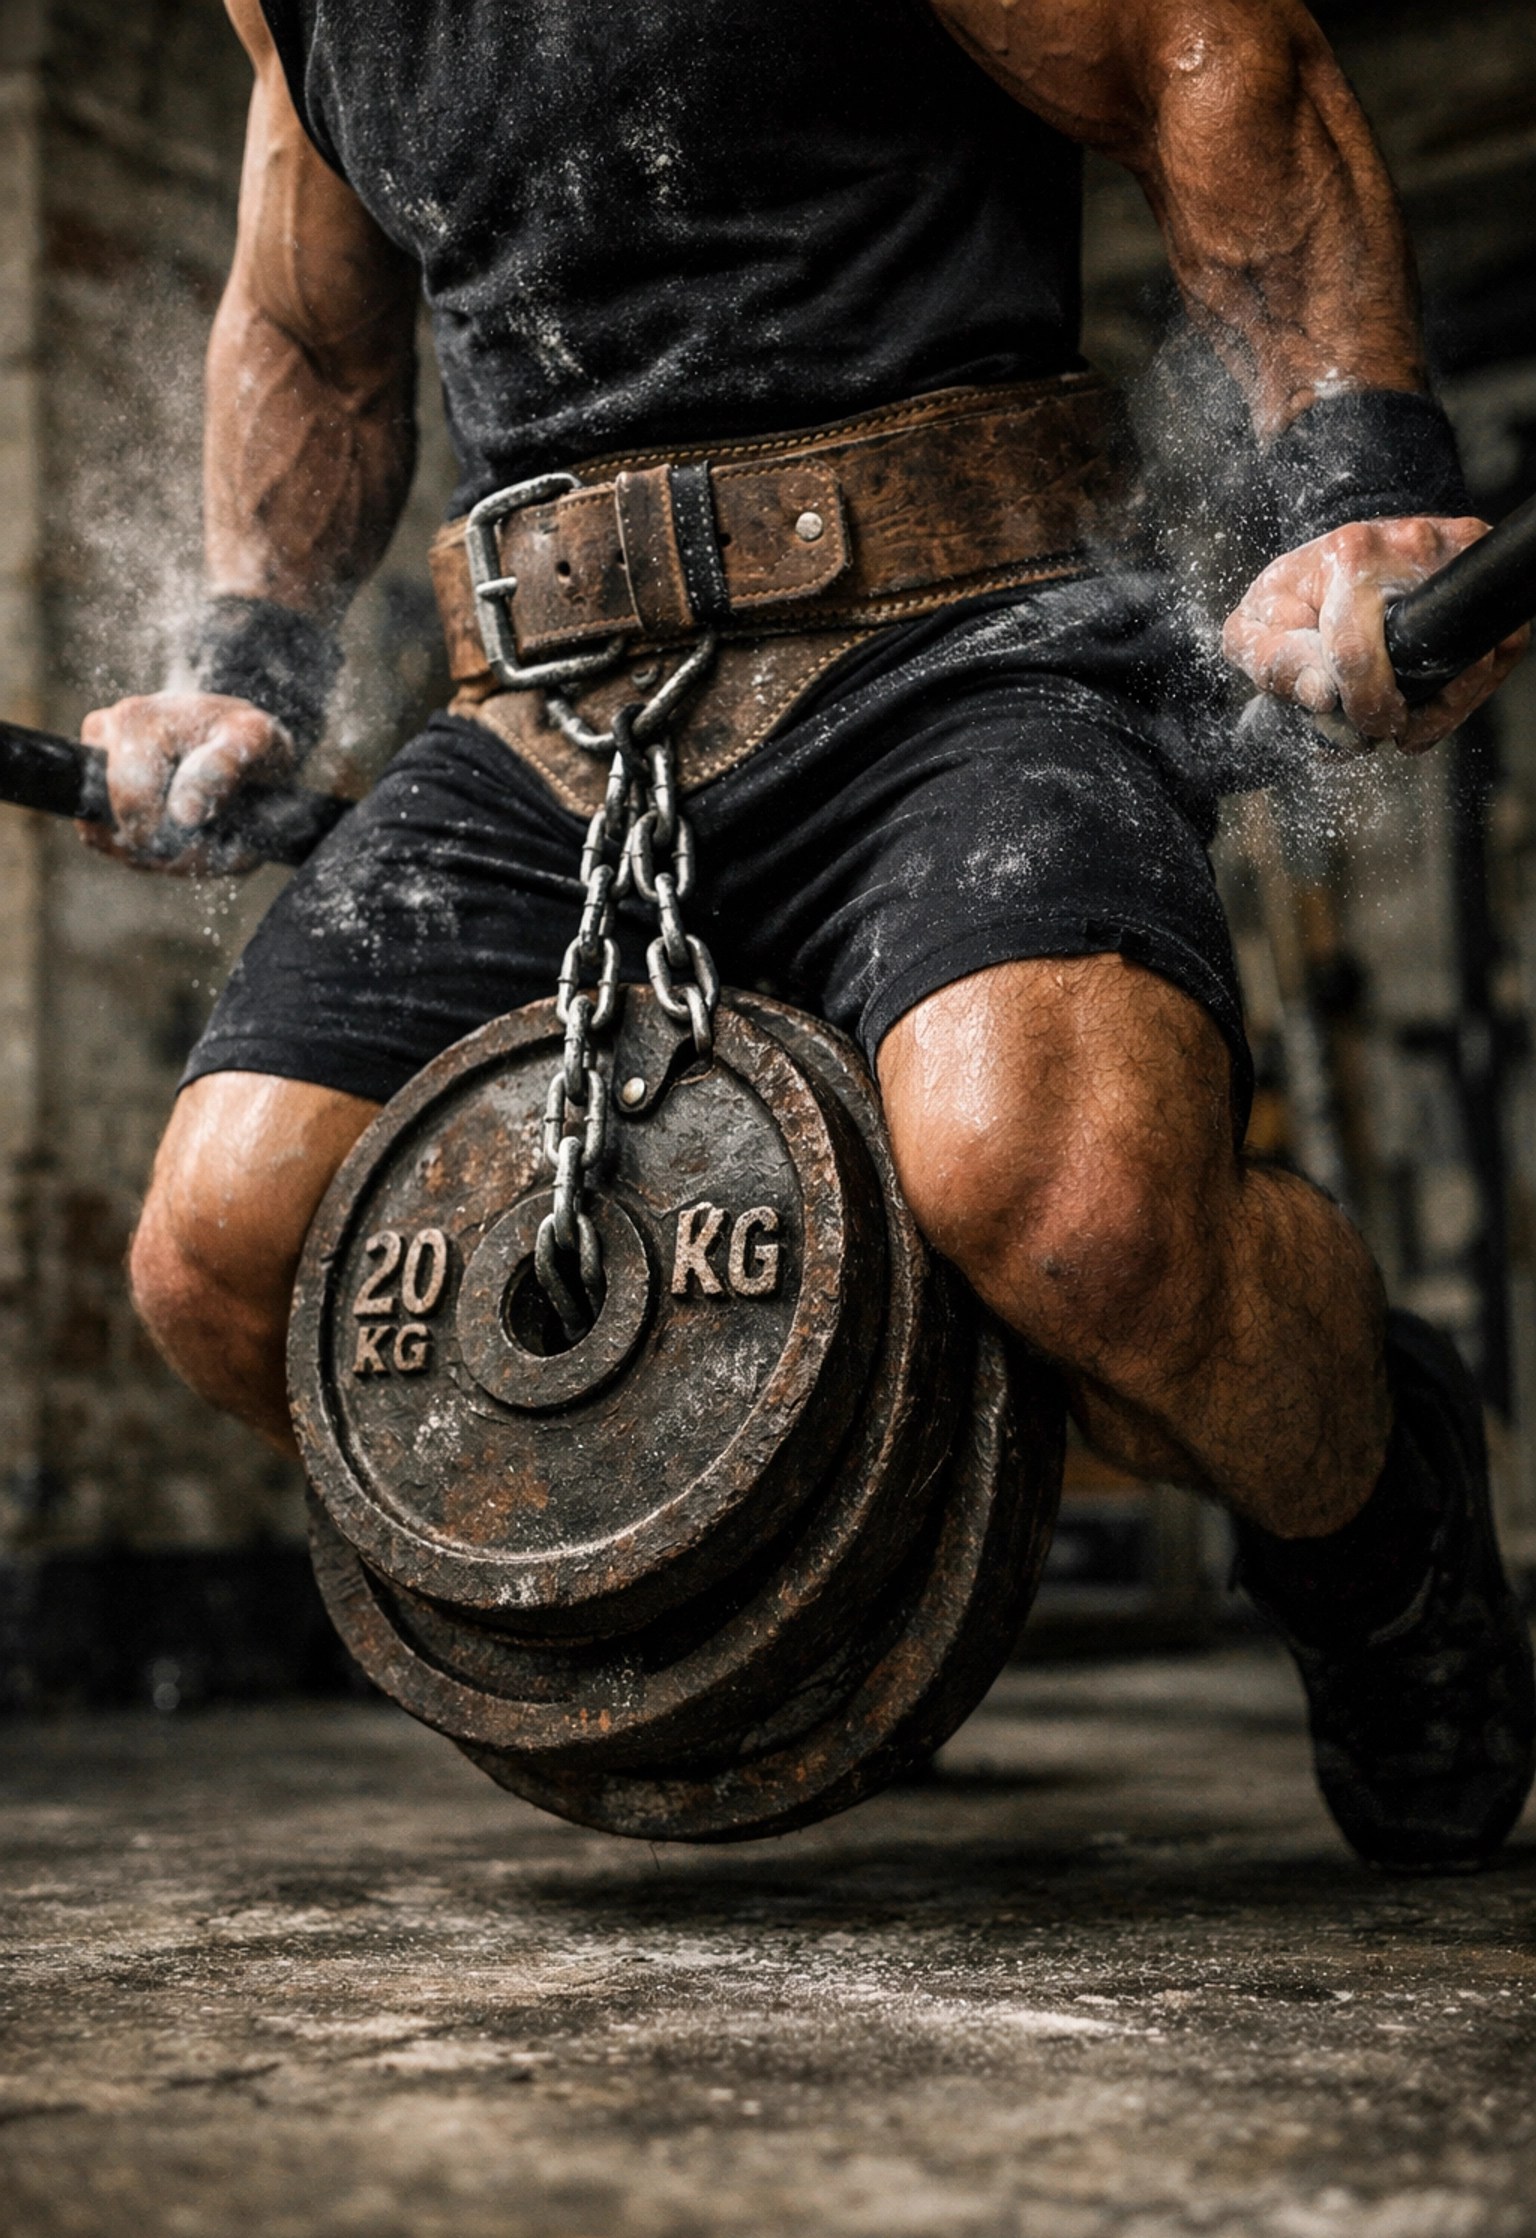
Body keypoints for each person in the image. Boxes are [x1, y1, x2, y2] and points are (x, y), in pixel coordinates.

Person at [87, 0, 1533, 1870]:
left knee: (1069, 1200)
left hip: (949, 631)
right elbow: (304, 326)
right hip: (548, 709)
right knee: (230, 1255)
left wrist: (1345, 488)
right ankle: (836, 1595)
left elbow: (1196, 47)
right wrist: (243, 666)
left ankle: (1381, 1526)